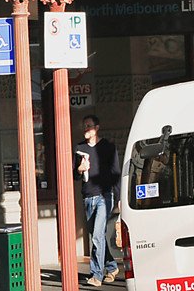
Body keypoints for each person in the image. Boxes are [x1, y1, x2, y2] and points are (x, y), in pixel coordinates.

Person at [75, 115, 121, 287]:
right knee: (97, 235)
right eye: (84, 126)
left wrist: (118, 198)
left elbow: (116, 172)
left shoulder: (108, 147)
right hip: (87, 196)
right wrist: (80, 169)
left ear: (97, 127)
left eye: (89, 126)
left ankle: (96, 275)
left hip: (105, 195)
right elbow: (74, 174)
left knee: (96, 236)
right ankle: (112, 266)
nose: (86, 129)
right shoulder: (79, 148)